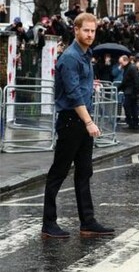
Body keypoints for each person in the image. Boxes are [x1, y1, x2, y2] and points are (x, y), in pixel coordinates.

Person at [42, 12, 114, 238]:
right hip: (72, 121)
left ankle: (88, 221)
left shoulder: (86, 54)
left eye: (93, 31)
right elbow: (73, 95)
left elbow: (81, 89)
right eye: (86, 30)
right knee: (58, 172)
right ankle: (48, 224)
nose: (90, 34)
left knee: (85, 172)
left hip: (82, 122)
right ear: (76, 30)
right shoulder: (71, 57)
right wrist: (89, 122)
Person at [118, 55, 139, 130]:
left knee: (128, 106)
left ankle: (131, 123)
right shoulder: (129, 68)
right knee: (133, 108)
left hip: (131, 91)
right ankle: (134, 124)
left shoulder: (131, 68)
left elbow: (136, 80)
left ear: (125, 61)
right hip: (130, 91)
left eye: (121, 62)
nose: (120, 64)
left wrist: (138, 92)